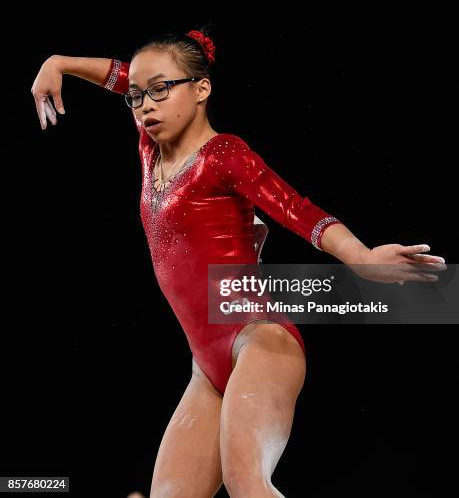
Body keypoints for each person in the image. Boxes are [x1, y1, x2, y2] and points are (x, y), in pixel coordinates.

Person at [31, 28, 446, 497]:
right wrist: (59, 61)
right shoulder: (150, 146)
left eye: (161, 90)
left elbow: (296, 209)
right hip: (205, 367)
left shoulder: (224, 154)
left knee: (246, 483)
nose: (146, 104)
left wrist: (361, 257)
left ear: (201, 88)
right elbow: (126, 76)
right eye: (136, 97)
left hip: (259, 341)